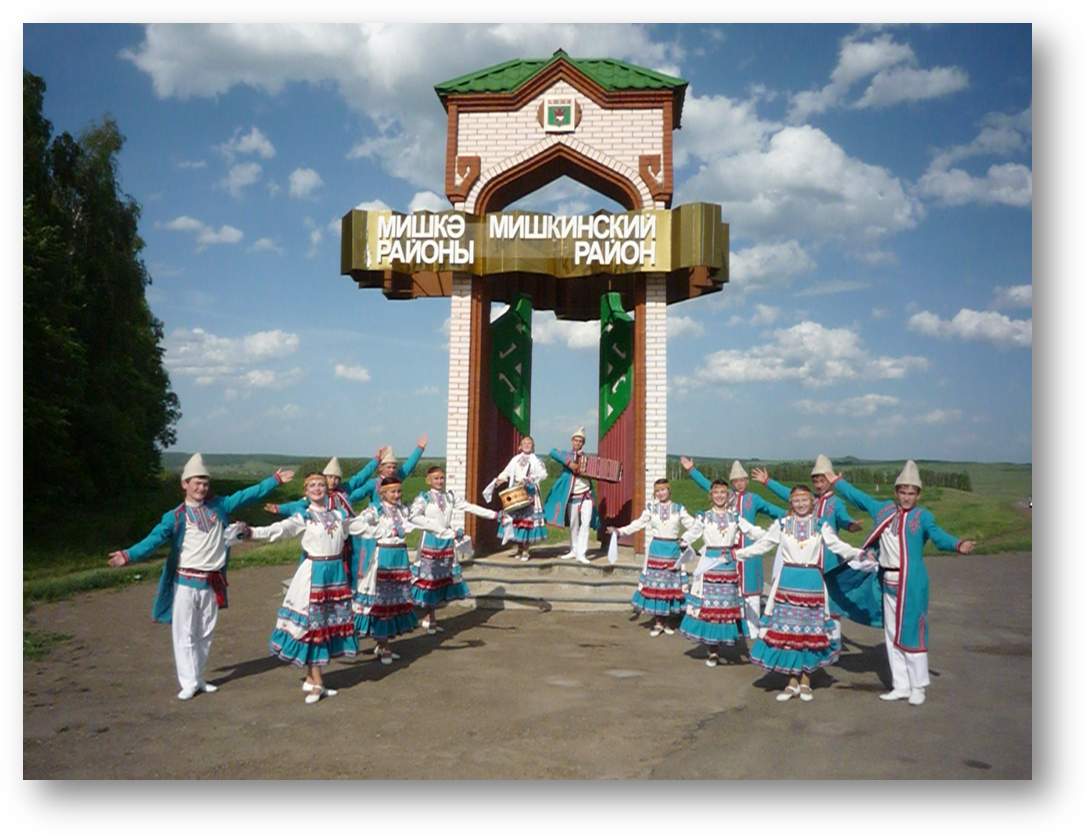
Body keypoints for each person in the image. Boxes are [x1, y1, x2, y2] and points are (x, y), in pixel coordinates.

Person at [107, 454, 294, 700]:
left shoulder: (220, 505)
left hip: (212, 581)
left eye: (205, 483)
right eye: (196, 482)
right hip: (185, 582)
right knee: (184, 633)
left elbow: (250, 493)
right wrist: (128, 555)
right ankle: (188, 682)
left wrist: (275, 480)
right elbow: (153, 540)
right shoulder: (175, 516)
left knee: (205, 631)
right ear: (184, 484)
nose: (201, 487)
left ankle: (199, 678)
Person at [831, 461, 977, 706]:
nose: (907, 497)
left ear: (918, 494)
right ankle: (900, 685)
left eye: (912, 493)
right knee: (891, 633)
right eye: (903, 492)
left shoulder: (923, 517)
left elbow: (937, 535)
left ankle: (918, 686)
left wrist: (956, 544)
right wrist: (838, 483)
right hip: (887, 580)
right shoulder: (884, 511)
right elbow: (860, 498)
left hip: (911, 582)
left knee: (913, 631)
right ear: (896, 492)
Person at [733, 485, 865, 702]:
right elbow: (763, 544)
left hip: (811, 583)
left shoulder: (820, 525)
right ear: (791, 503)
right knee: (790, 635)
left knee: (808, 634)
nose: (801, 504)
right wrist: (738, 554)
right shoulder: (783, 525)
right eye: (796, 501)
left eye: (804, 500)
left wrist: (859, 554)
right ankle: (792, 681)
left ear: (811, 502)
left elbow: (837, 545)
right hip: (788, 584)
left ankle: (806, 681)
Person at [245, 473, 365, 704]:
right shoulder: (304, 516)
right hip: (314, 574)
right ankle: (318, 683)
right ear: (306, 491)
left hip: (335, 575)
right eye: (312, 485)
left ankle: (312, 677)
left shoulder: (338, 515)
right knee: (314, 625)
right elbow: (279, 530)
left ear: (327, 490)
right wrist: (251, 532)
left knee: (327, 624)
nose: (318, 488)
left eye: (321, 484)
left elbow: (360, 527)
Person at [753, 454, 863, 649]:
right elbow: (789, 493)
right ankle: (809, 642)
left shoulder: (836, 503)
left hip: (829, 563)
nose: (819, 485)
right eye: (816, 481)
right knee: (807, 606)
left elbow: (844, 520)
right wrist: (767, 482)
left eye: (823, 481)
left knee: (830, 606)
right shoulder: (810, 501)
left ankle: (833, 646)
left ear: (831, 480)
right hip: (808, 561)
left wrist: (850, 526)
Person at [681, 457, 786, 642]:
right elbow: (709, 486)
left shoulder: (754, 499)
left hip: (748, 551)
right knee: (724, 594)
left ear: (746, 481)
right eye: (735, 481)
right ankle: (727, 630)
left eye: (742, 480)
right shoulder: (725, 495)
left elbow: (772, 510)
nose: (739, 483)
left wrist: (791, 517)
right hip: (722, 554)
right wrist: (692, 470)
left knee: (750, 592)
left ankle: (753, 632)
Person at [265, 447, 389, 584]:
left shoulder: (345, 489)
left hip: (343, 536)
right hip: (324, 536)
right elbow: (298, 504)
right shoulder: (319, 495)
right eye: (330, 477)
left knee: (346, 563)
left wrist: (376, 460)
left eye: (337, 478)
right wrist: (279, 508)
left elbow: (362, 476)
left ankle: (343, 588)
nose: (333, 481)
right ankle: (306, 583)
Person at [678, 479, 766, 666]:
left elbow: (751, 531)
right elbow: (693, 532)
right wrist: (684, 540)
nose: (719, 496)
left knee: (726, 607)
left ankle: (725, 643)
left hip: (728, 563)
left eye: (723, 493)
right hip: (710, 562)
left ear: (728, 496)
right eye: (716, 492)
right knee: (711, 607)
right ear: (711, 495)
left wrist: (771, 536)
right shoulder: (705, 517)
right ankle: (713, 650)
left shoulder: (735, 516)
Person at [409, 466, 505, 633]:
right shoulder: (424, 498)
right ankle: (427, 616)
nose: (439, 481)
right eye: (436, 478)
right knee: (428, 580)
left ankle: (431, 617)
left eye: (441, 478)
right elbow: (414, 517)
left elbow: (471, 507)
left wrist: (494, 515)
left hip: (446, 542)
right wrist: (435, 527)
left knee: (441, 579)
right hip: (430, 541)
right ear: (428, 480)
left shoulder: (450, 497)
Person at [608, 478, 700, 637]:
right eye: (657, 491)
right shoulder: (651, 509)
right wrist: (620, 531)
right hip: (656, 550)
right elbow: (638, 524)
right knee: (657, 587)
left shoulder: (678, 509)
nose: (660, 493)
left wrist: (686, 539)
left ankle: (667, 621)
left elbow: (695, 526)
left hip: (672, 550)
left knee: (670, 586)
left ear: (669, 490)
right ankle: (658, 622)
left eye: (663, 490)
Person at [352, 477, 419, 663]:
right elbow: (360, 522)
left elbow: (418, 520)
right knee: (382, 602)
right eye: (392, 492)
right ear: (382, 493)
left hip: (400, 557)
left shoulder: (403, 510)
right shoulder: (376, 510)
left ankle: (383, 644)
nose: (397, 495)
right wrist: (378, 530)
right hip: (383, 558)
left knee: (393, 602)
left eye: (399, 492)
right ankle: (384, 645)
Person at [542, 427, 599, 564]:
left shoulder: (587, 458)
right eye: (576, 440)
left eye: (580, 441)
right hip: (573, 496)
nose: (578, 443)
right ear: (572, 441)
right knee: (574, 524)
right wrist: (569, 463)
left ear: (583, 443)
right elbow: (552, 452)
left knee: (585, 523)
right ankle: (574, 550)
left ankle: (582, 553)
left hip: (586, 495)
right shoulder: (566, 455)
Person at [490, 436, 549, 560]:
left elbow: (543, 475)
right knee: (516, 521)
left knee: (527, 522)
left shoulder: (536, 460)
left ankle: (526, 550)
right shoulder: (515, 460)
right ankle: (519, 548)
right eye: (524, 443)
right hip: (516, 492)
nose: (526, 445)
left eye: (529, 443)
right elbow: (507, 471)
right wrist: (500, 479)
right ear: (520, 446)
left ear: (533, 446)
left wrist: (529, 480)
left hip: (530, 493)